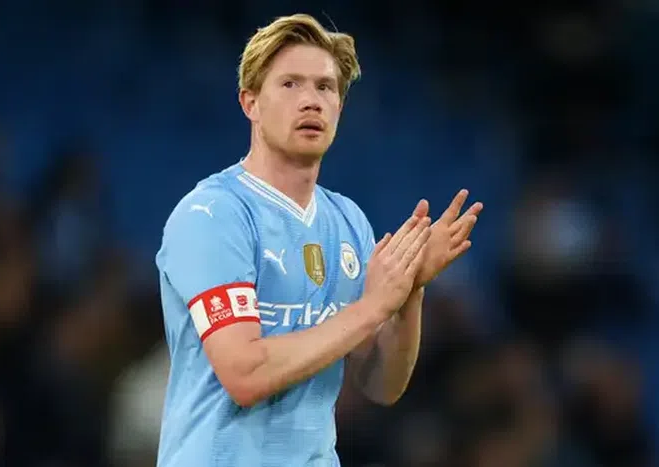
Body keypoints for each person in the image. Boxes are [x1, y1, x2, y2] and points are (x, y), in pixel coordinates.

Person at [155, 13, 483, 467]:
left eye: (325, 87)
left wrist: (409, 293)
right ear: (250, 102)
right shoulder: (213, 215)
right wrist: (373, 307)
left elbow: (380, 385)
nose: (311, 101)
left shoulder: (348, 222)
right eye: (290, 84)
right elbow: (244, 374)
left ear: (340, 108)